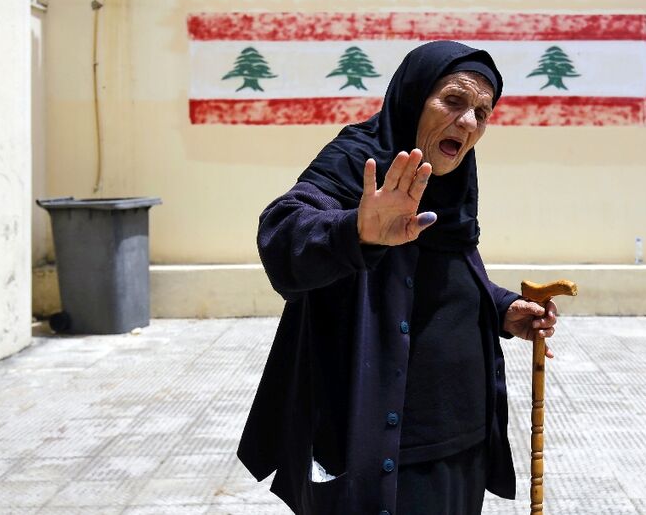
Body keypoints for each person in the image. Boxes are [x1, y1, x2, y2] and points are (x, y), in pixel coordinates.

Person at [238, 40, 559, 515]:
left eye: (482, 113)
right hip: (384, 448)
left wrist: (501, 308)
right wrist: (356, 231)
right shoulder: (358, 160)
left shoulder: (453, 183)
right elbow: (283, 233)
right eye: (453, 101)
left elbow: (445, 274)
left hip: (463, 443)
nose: (468, 123)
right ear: (413, 96)